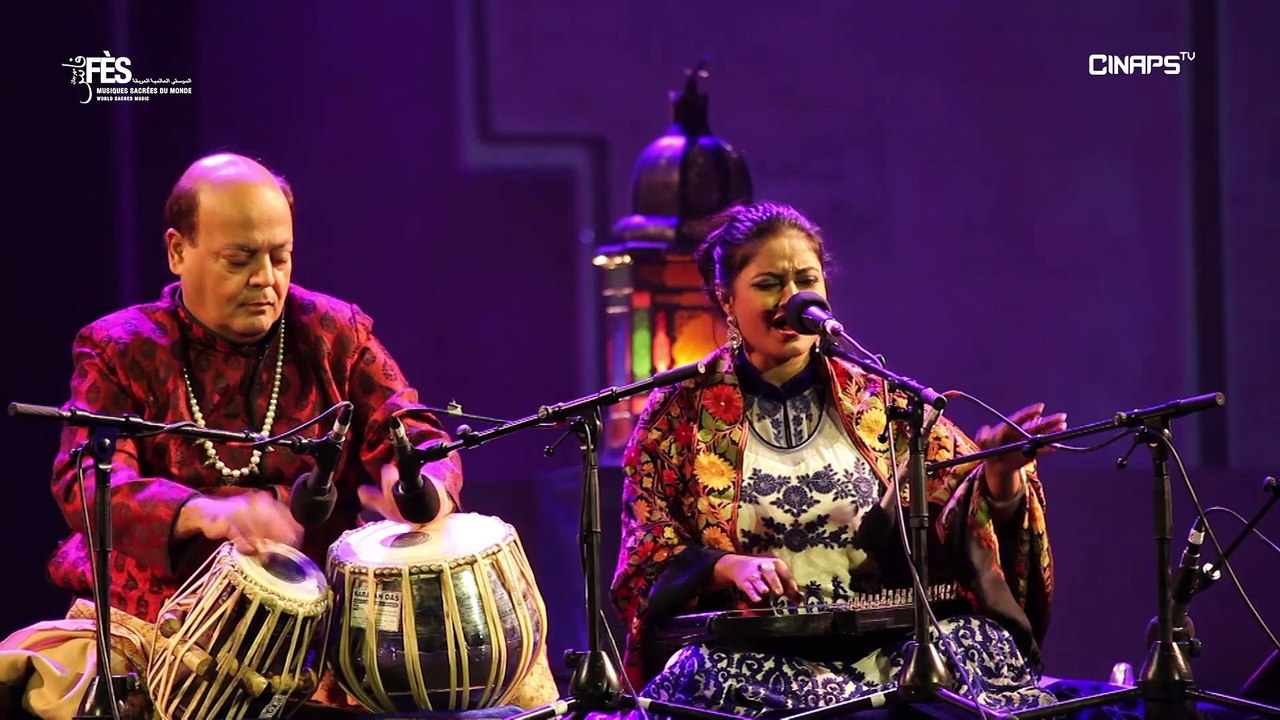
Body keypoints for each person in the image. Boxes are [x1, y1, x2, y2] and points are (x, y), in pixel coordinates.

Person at [0, 152, 557, 719]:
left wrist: (417, 482)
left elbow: (408, 428)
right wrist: (203, 513)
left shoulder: (332, 334)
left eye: (280, 256)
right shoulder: (120, 347)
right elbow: (85, 484)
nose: (266, 279)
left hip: (319, 638)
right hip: (154, 629)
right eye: (239, 259)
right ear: (177, 251)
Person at [609, 201, 1068, 716]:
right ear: (726, 298)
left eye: (806, 279)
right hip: (760, 654)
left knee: (974, 647)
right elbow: (645, 560)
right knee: (701, 680)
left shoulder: (885, 401)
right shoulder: (677, 412)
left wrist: (998, 477)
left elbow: (953, 513)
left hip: (886, 646)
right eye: (768, 284)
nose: (792, 298)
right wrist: (724, 566)